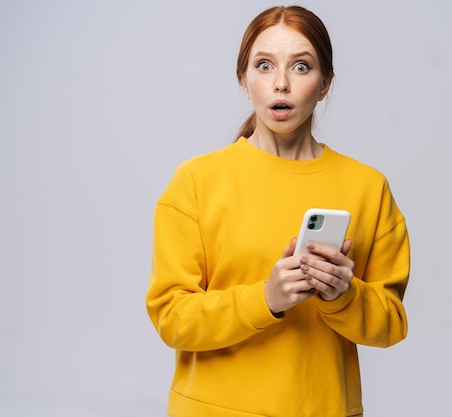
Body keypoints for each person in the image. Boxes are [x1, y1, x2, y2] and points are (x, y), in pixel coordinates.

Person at [146, 5, 410, 417]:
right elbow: (171, 316)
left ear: (324, 84)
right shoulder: (197, 181)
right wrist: (266, 299)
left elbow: (391, 323)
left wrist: (344, 294)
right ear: (243, 80)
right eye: (264, 65)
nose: (281, 84)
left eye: (301, 67)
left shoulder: (367, 187)